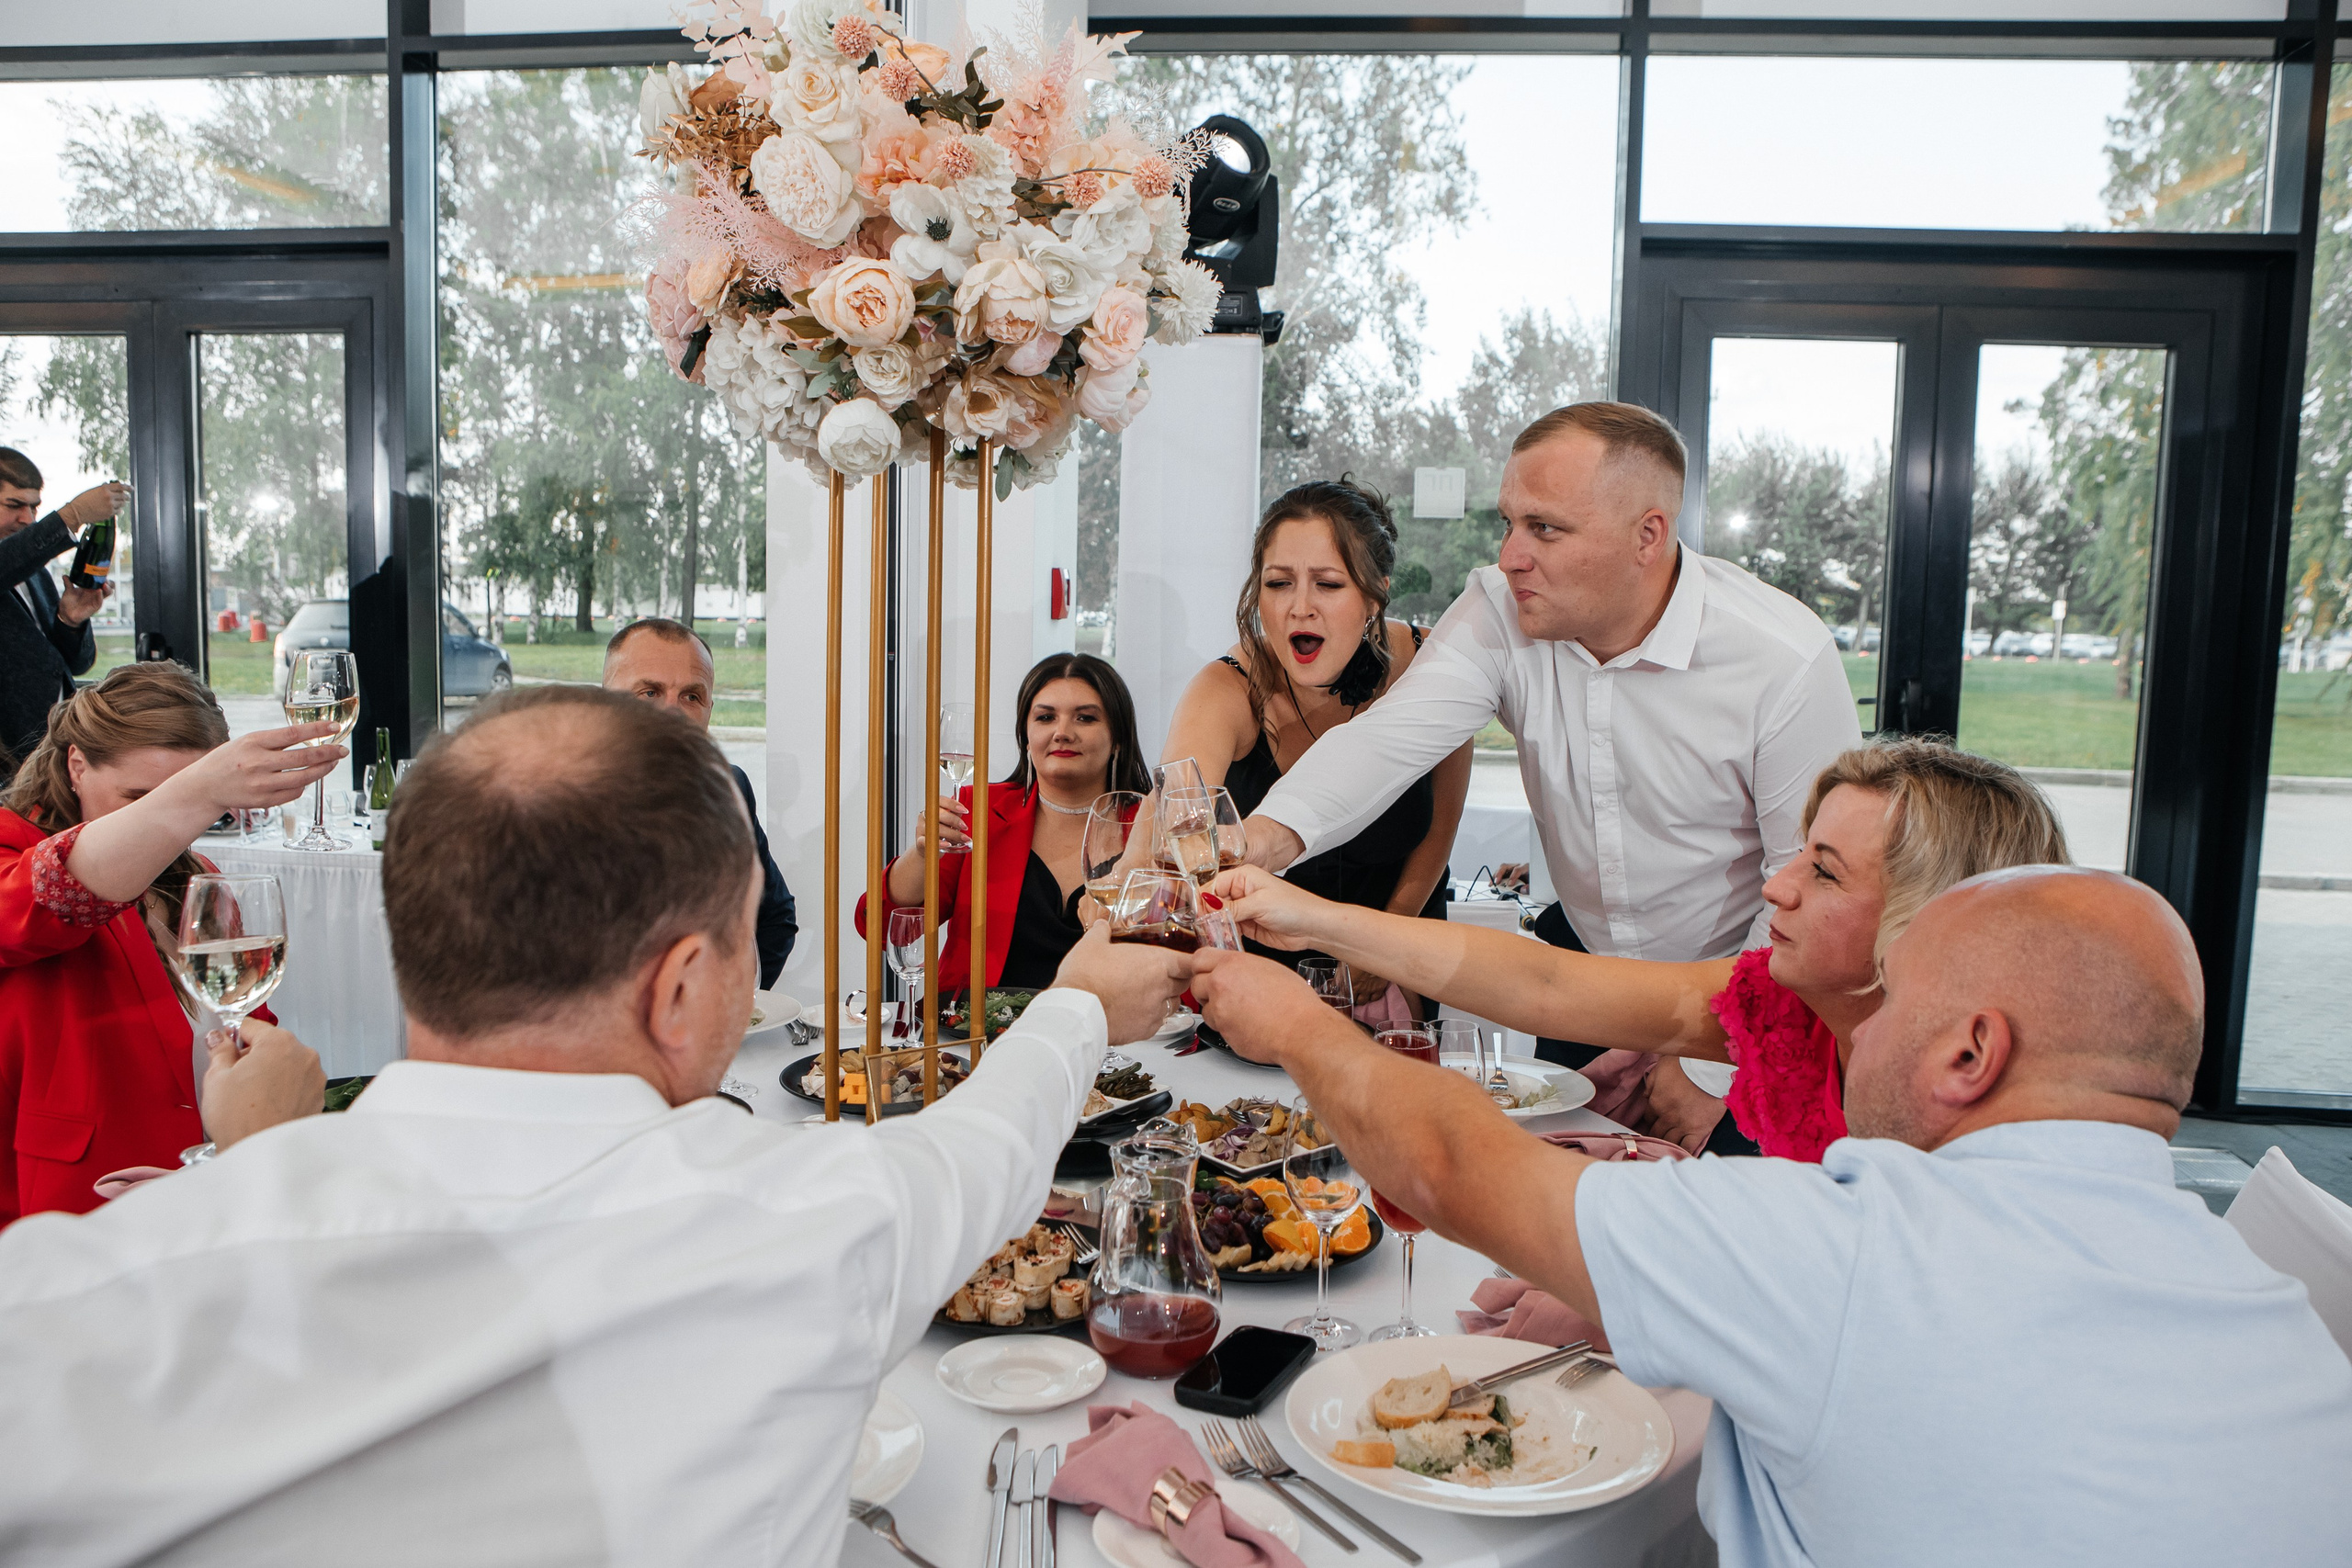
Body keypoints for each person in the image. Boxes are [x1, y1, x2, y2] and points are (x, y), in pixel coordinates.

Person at [0, 685, 1189, 1565]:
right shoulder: (810, 1224)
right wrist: (1080, 1001)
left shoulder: (66, 1304)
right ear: (678, 987)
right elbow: (982, 1146)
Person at [1191, 868, 2352, 1565]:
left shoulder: (1859, 1246)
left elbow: (1447, 1162)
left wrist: (1292, 1025)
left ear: (1968, 1051)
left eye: (1893, 999)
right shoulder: (2285, 1322)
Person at [1238, 404, 1861, 1122]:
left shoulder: (1781, 657)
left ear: (1647, 536)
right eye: (1508, 522)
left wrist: (1705, 1068)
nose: (1509, 554)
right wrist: (1258, 837)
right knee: (1556, 1214)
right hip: (1581, 981)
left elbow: (1810, 887)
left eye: (1545, 528)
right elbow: (1383, 741)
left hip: (1748, 1003)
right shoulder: (1501, 610)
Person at [1217, 738, 2069, 1157]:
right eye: (1800, 852)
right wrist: (1314, 918)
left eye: (1827, 872)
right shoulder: (1789, 1006)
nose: (1778, 886)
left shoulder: (1981, 1131)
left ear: (1927, 922)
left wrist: (1301, 1028)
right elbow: (1547, 982)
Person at [0, 663, 345, 1225]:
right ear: (76, 767)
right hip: (74, 1199)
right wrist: (198, 789)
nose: (171, 824)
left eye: (194, 805)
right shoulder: (10, 852)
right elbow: (45, 903)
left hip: (193, 1184)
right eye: (140, 799)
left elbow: (240, 1024)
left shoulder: (199, 879)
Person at [1159, 479, 1470, 1019]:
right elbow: (1171, 820)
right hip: (1261, 984)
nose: (1300, 608)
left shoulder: (1433, 665)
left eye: (1327, 584)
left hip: (1397, 963)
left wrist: (1383, 951)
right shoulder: (1227, 688)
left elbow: (1437, 836)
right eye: (1279, 583)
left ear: (1374, 595)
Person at [860, 652, 1152, 1000]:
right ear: (1026, 737)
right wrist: (923, 852)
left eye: (1085, 718)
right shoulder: (978, 811)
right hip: (976, 1034)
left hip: (1112, 1035)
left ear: (1118, 736)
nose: (1062, 733)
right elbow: (879, 928)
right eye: (1045, 717)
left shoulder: (1151, 827)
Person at [604, 616, 797, 987]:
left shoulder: (729, 788)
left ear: (709, 709)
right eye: (649, 693)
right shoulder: (555, 801)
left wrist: (731, 1009)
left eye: (691, 697)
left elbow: (775, 919)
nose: (672, 713)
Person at [0, 447, 130, 763]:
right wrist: (72, 515)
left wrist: (70, 620)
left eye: (34, 507)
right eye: (14, 505)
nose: (28, 519)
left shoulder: (35, 574)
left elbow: (74, 665)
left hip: (49, 756)